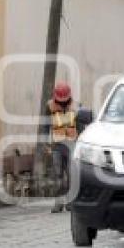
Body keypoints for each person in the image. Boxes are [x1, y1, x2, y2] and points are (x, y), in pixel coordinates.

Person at [47, 82, 78, 213]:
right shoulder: (49, 106)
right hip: (57, 145)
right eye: (60, 100)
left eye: (64, 100)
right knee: (57, 174)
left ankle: (70, 202)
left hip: (71, 145)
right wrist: (44, 144)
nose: (62, 103)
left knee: (72, 174)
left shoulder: (76, 107)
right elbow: (44, 125)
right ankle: (58, 203)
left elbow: (80, 125)